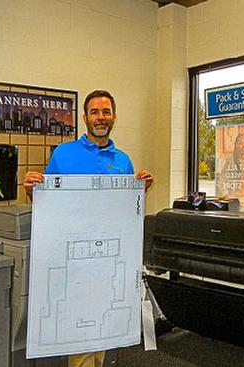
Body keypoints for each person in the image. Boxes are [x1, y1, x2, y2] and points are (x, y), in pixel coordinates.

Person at [24, 90, 153, 367]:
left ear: (114, 117)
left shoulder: (123, 161)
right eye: (95, 112)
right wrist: (32, 189)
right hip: (74, 260)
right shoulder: (63, 154)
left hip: (108, 262)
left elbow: (125, 211)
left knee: (102, 333)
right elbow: (47, 203)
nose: (101, 118)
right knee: (82, 339)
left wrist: (141, 192)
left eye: (106, 112)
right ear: (85, 117)